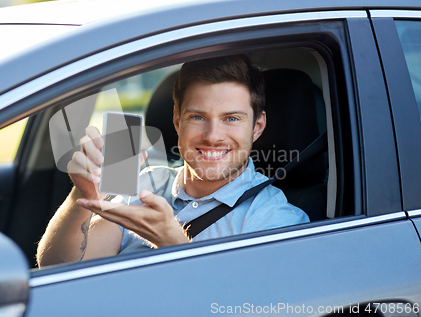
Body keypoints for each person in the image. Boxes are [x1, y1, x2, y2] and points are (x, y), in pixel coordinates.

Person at [37, 54, 309, 267]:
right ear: (177, 120)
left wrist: (175, 245)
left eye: (231, 119)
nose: (213, 136)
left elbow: (246, 307)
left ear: (257, 127)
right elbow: (58, 267)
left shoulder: (276, 221)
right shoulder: (144, 184)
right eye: (197, 117)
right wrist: (81, 197)